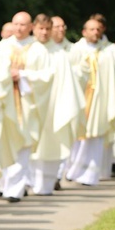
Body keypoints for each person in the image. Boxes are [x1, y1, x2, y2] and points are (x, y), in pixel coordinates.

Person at [0, 11, 52, 202]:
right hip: (5, 105)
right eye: (16, 24)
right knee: (4, 144)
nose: (19, 28)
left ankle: (15, 190)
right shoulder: (0, 48)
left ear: (31, 27)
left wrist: (23, 76)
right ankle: (1, 184)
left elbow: (46, 77)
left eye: (23, 25)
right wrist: (6, 75)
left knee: (23, 146)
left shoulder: (39, 50)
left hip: (27, 107)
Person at [28, 14, 83, 195]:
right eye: (40, 28)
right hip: (32, 106)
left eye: (47, 29)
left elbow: (67, 82)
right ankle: (31, 183)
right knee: (32, 145)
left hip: (54, 107)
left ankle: (48, 185)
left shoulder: (59, 54)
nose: (44, 32)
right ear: (34, 28)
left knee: (52, 144)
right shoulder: (29, 50)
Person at [65, 18, 115, 185]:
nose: (95, 32)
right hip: (81, 98)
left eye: (98, 29)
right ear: (84, 31)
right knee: (76, 135)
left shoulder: (109, 51)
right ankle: (72, 170)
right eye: (91, 29)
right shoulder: (76, 50)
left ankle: (90, 175)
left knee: (96, 137)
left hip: (100, 100)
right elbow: (69, 74)